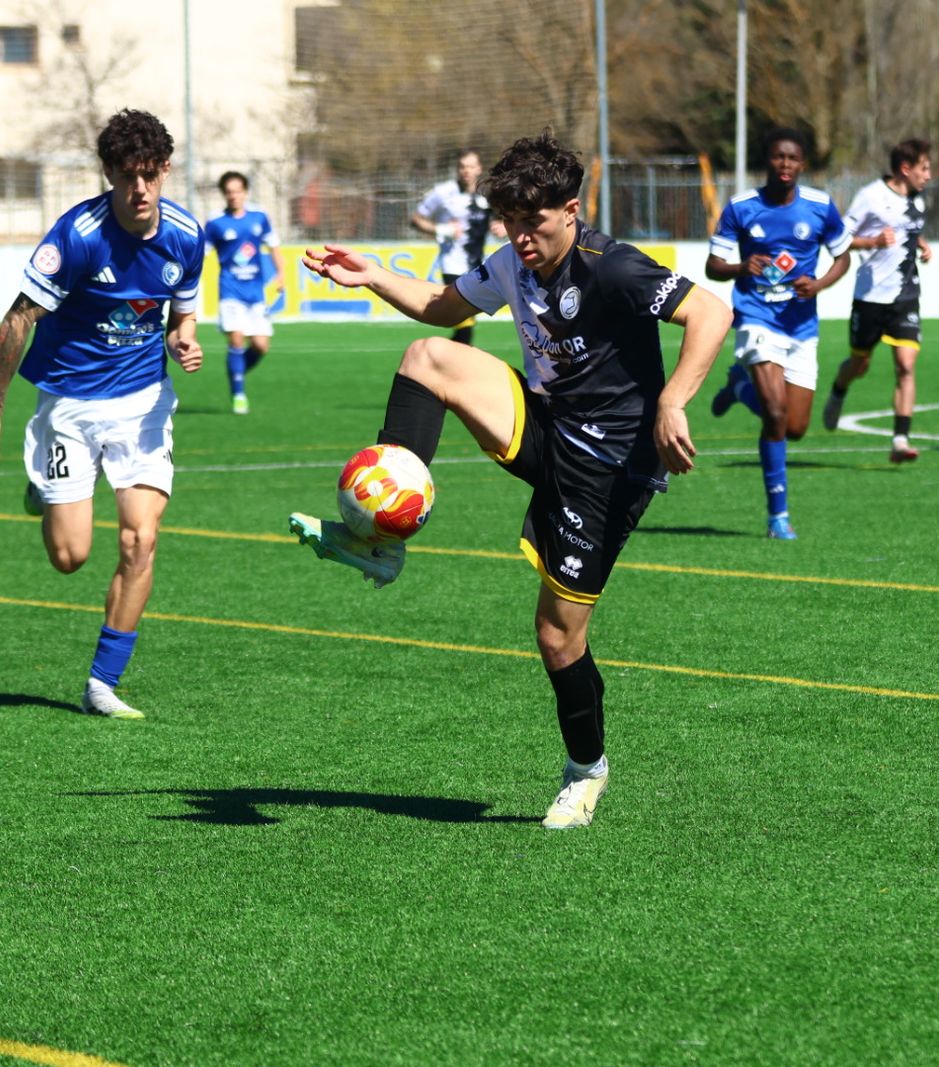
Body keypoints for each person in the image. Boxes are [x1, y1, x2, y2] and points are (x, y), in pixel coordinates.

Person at [292, 132, 731, 829]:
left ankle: (586, 769)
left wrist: (672, 400)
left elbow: (711, 311)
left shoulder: (611, 267)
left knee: (558, 637)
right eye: (511, 222)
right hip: (547, 423)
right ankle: (382, 537)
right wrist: (372, 273)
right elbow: (444, 305)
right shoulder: (511, 264)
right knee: (428, 355)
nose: (521, 237)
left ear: (571, 210)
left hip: (610, 468)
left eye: (535, 222)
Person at [0, 108, 204, 719]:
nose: (139, 189)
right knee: (70, 559)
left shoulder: (186, 235)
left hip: (143, 403)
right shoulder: (77, 236)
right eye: (126, 176)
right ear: (109, 173)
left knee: (140, 540)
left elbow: (182, 314)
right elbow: (18, 319)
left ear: (165, 170)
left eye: (149, 175)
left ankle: (102, 684)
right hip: (69, 403)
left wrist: (182, 340)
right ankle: (43, 490)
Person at [706, 127, 852, 540]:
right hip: (755, 317)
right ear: (767, 161)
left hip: (801, 325)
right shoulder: (741, 207)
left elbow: (843, 257)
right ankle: (778, 517)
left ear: (802, 164)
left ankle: (738, 389)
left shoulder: (821, 207)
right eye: (777, 157)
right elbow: (713, 265)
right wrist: (740, 267)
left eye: (792, 158)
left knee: (796, 427)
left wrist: (819, 284)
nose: (784, 165)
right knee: (773, 415)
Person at [820, 138, 934, 463]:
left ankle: (900, 439)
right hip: (870, 298)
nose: (928, 175)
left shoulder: (919, 200)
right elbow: (839, 238)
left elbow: (906, 229)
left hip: (906, 296)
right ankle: (839, 389)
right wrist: (872, 241)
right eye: (924, 168)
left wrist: (922, 244)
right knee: (860, 364)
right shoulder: (870, 196)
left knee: (906, 365)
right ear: (905, 168)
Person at [207, 170, 281, 415]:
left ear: (245, 192)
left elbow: (274, 246)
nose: (233, 196)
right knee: (236, 338)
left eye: (237, 191)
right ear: (224, 194)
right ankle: (238, 394)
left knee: (261, 346)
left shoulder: (259, 217)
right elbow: (201, 253)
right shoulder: (215, 223)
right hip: (230, 290)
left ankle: (235, 371)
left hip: (255, 292)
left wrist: (281, 274)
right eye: (229, 192)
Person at [410, 148, 496, 347]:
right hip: (452, 265)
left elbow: (500, 218)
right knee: (464, 322)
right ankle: (440, 355)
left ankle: (446, 357)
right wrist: (441, 229)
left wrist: (500, 225)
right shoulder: (443, 192)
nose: (466, 171)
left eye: (471, 166)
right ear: (457, 169)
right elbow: (415, 219)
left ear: (479, 169)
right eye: (462, 167)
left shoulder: (487, 193)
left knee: (466, 323)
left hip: (477, 264)